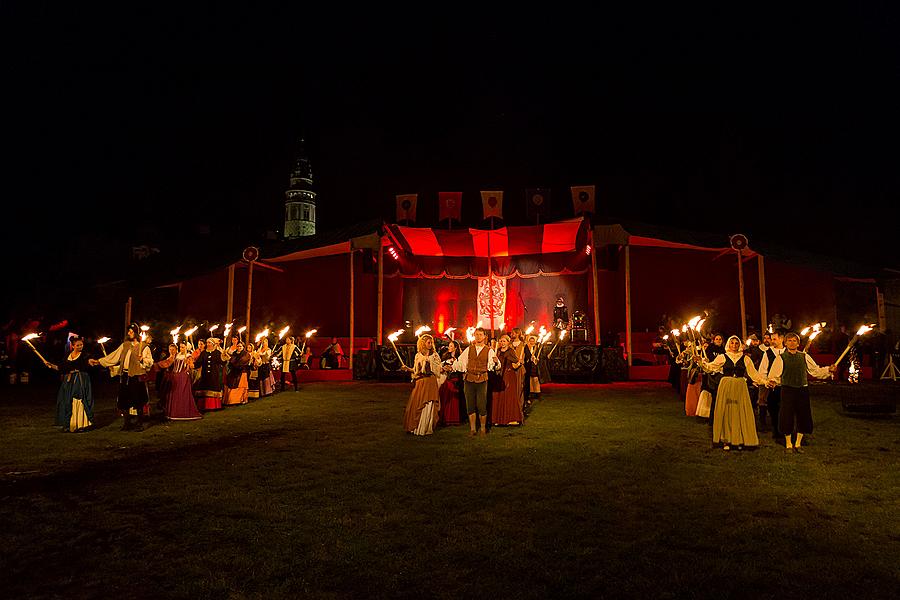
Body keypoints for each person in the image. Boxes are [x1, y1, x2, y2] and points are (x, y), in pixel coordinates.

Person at [698, 336, 770, 450]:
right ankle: (726, 440)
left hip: (740, 386)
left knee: (740, 411)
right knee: (726, 411)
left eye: (737, 343)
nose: (734, 345)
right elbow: (710, 367)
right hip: (726, 385)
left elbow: (754, 374)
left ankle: (740, 439)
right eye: (732, 343)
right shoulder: (723, 357)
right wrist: (701, 363)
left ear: (739, 345)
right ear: (728, 344)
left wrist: (765, 382)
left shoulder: (746, 358)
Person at [766, 332, 835, 452]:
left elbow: (815, 371)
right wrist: (772, 381)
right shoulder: (781, 358)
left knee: (803, 415)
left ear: (798, 343)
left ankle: (798, 443)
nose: (792, 343)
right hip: (787, 389)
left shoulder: (804, 356)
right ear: (785, 343)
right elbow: (774, 375)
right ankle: (788, 443)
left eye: (794, 341)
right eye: (789, 341)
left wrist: (829, 369)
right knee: (786, 416)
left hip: (802, 389)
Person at [92, 323, 154, 431]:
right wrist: (99, 362)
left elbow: (150, 363)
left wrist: (143, 360)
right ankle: (127, 423)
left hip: (136, 376)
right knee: (123, 400)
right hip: (125, 376)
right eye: (129, 331)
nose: (129, 333)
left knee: (138, 400)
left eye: (131, 331)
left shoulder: (144, 347)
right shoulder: (125, 345)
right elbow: (114, 356)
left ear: (136, 333)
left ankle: (139, 423)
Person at [446, 327, 500, 437]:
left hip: (482, 380)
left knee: (481, 405)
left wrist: (495, 363)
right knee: (470, 404)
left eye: (480, 334)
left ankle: (483, 429)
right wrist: (452, 367)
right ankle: (472, 429)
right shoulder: (469, 349)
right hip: (469, 380)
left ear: (485, 337)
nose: (478, 336)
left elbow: (495, 365)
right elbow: (461, 362)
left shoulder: (489, 351)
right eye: (476, 334)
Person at [46, 336, 95, 432]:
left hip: (80, 380)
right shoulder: (67, 356)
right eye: (78, 345)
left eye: (81, 345)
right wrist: (51, 365)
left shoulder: (85, 355)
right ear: (72, 346)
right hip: (69, 381)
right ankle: (69, 424)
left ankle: (81, 425)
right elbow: (61, 368)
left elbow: (89, 362)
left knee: (79, 399)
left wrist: (92, 362)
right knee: (68, 400)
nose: (80, 347)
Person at [402, 334, 445, 435]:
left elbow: (438, 369)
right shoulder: (418, 355)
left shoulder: (434, 355)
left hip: (431, 381)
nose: (430, 344)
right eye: (428, 342)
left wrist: (430, 364)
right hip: (421, 382)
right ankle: (416, 427)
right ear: (423, 343)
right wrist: (407, 369)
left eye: (431, 343)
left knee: (429, 402)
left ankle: (426, 427)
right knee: (418, 403)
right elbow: (415, 370)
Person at [156, 341, 201, 421]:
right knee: (174, 394)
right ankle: (174, 412)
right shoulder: (177, 355)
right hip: (175, 376)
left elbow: (192, 367)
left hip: (183, 377)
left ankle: (183, 412)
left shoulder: (188, 356)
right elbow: (169, 362)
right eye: (180, 347)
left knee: (182, 394)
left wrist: (189, 363)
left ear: (187, 348)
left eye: (183, 347)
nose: (181, 349)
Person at [758, 329, 787, 440]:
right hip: (772, 387)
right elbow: (763, 370)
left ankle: (785, 430)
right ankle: (776, 431)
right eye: (771, 339)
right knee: (773, 409)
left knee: (785, 410)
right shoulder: (768, 353)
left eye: (775, 339)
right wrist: (766, 382)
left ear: (782, 339)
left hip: (785, 386)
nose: (772, 341)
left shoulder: (787, 352)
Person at [491, 334, 525, 426]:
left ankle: (512, 418)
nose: (502, 343)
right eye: (501, 341)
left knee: (509, 397)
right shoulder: (497, 351)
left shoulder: (510, 351)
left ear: (508, 342)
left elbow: (516, 361)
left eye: (504, 341)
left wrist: (516, 362)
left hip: (509, 376)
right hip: (499, 376)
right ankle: (498, 419)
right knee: (498, 396)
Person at [194, 337, 228, 410]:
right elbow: (198, 363)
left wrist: (224, 357)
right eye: (207, 343)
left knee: (213, 387)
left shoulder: (217, 352)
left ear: (213, 344)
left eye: (210, 343)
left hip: (214, 374)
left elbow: (222, 362)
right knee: (204, 387)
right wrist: (192, 364)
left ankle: (214, 406)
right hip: (205, 375)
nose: (208, 344)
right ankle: (203, 405)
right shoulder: (203, 353)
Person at [438, 340, 463, 426]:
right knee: (445, 398)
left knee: (454, 400)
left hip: (455, 380)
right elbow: (440, 367)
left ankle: (453, 419)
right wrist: (443, 368)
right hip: (447, 380)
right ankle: (444, 418)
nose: (449, 347)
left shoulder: (459, 358)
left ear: (455, 347)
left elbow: (461, 368)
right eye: (449, 346)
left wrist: (452, 368)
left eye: (451, 346)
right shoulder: (445, 357)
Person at [225, 341, 251, 405]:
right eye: (238, 346)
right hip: (234, 372)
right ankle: (232, 400)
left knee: (241, 386)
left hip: (242, 372)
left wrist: (231, 360)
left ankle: (241, 399)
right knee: (232, 385)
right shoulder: (234, 353)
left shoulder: (246, 354)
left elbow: (241, 362)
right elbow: (231, 363)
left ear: (243, 347)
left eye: (240, 346)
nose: (239, 347)